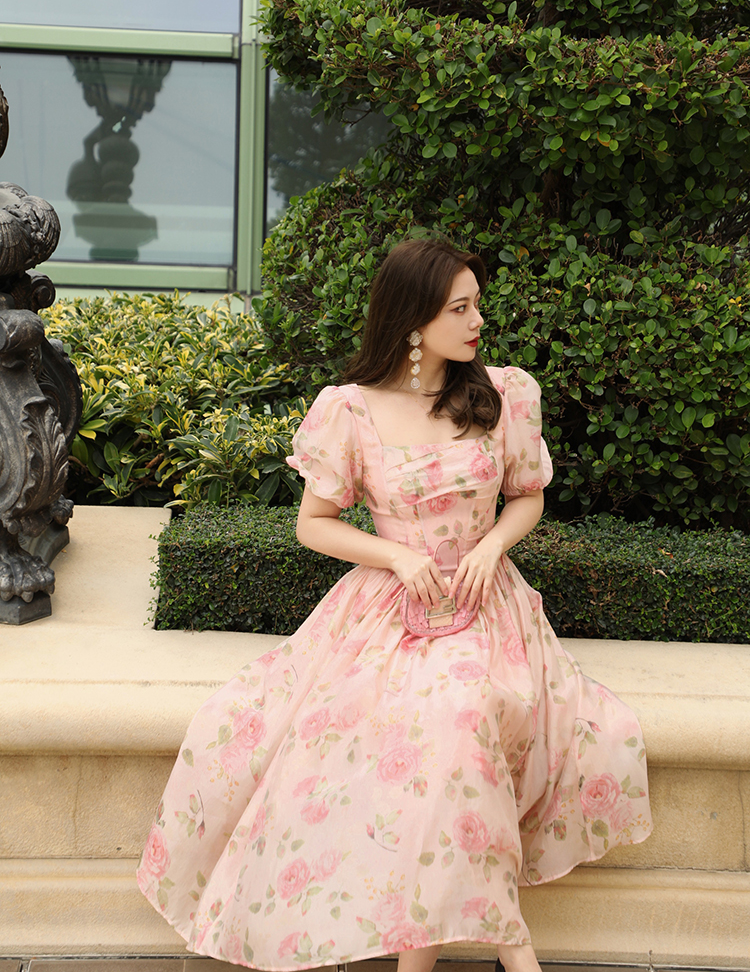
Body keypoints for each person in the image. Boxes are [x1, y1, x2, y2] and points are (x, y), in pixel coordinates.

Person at [137, 238, 652, 972]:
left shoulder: (502, 393)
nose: (478, 321)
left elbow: (528, 497)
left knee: (461, 714)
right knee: (419, 728)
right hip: (389, 608)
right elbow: (313, 524)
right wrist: (400, 556)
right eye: (459, 308)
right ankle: (501, 957)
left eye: (477, 304)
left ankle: (465, 961)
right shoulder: (350, 409)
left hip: (487, 605)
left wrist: (489, 548)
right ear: (414, 320)